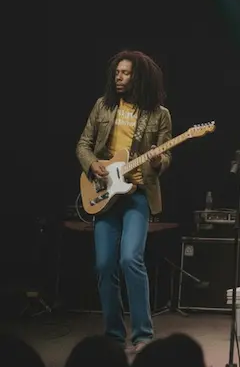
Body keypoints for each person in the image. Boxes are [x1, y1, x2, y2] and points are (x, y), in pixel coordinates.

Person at [76, 50, 172, 354]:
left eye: (126, 73)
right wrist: (93, 164)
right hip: (105, 193)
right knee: (104, 265)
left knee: (130, 259)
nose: (119, 77)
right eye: (117, 72)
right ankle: (114, 337)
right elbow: (83, 144)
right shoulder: (103, 106)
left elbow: (166, 157)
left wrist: (157, 161)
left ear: (139, 77)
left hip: (137, 194)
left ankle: (143, 336)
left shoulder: (159, 114)